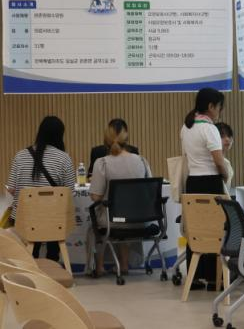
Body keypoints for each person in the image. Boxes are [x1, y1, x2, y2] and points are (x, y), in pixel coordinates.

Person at [5, 116, 76, 262]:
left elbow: (10, 190)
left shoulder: (20, 156)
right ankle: (53, 261)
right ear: (60, 135)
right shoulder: (64, 158)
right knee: (55, 219)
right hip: (53, 222)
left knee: (29, 225)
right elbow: (70, 194)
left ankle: (30, 264)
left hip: (24, 220)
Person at [89, 121, 152, 276]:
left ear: (106, 139)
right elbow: (149, 190)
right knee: (123, 217)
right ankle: (124, 265)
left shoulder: (102, 163)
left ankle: (99, 267)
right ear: (126, 138)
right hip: (139, 220)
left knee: (98, 220)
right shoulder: (141, 161)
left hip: (113, 222)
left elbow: (95, 197)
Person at [181, 87, 228, 290]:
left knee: (196, 229)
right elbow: (218, 161)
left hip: (192, 182)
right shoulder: (210, 129)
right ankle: (213, 277)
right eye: (219, 107)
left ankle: (194, 276)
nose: (219, 112)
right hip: (210, 182)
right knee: (215, 230)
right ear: (211, 106)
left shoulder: (186, 127)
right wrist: (225, 175)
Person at [214, 122, 235, 197]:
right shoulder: (210, 161)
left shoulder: (227, 163)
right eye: (222, 136)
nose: (227, 139)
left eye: (229, 136)